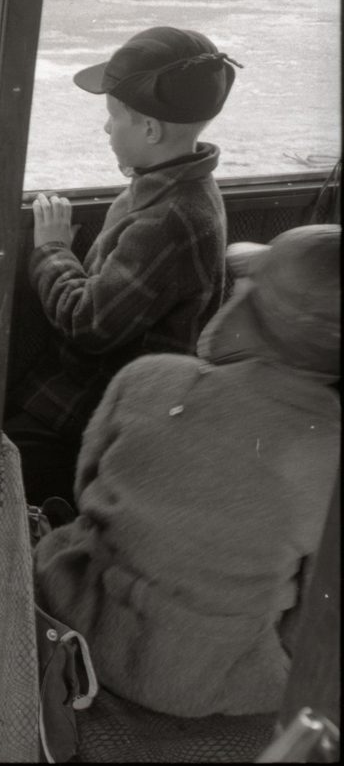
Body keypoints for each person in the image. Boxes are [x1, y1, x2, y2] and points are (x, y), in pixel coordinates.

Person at [34, 224, 340, 724]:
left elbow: (86, 486)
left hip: (72, 613)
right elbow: (314, 609)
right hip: (199, 683)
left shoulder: (145, 376)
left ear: (247, 303)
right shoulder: (330, 454)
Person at [4, 27, 242, 510]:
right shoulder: (169, 181)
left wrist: (52, 249)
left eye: (113, 117)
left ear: (151, 131)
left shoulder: (169, 218)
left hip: (92, 414)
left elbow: (87, 322)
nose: (106, 129)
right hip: (86, 393)